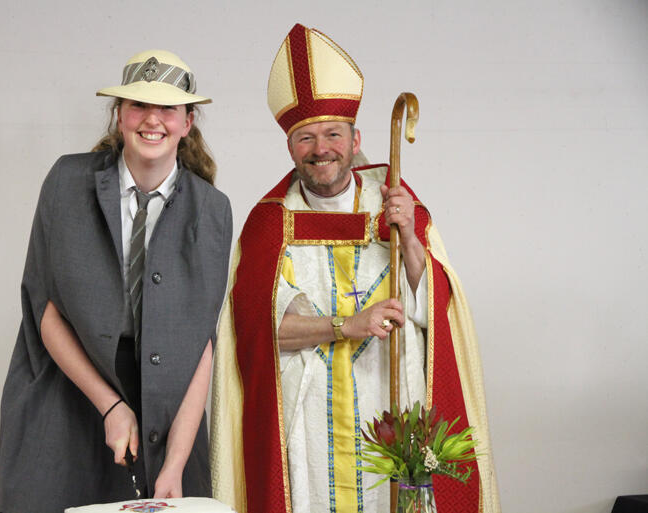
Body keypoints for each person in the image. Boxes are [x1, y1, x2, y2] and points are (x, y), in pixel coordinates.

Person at [210, 24, 500, 513]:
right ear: (290, 147)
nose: (321, 148)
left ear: (356, 137)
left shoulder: (399, 208)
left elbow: (438, 310)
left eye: (332, 134)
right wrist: (347, 327)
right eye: (306, 137)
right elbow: (258, 332)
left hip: (390, 404)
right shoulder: (269, 225)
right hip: (307, 423)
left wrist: (409, 238)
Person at [0, 50, 232, 513]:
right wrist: (110, 405)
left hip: (166, 403)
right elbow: (44, 311)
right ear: (120, 114)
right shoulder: (66, 181)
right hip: (68, 385)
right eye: (139, 105)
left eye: (168, 108)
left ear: (187, 122)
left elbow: (203, 344)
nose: (152, 120)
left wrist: (176, 460)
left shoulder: (213, 211)